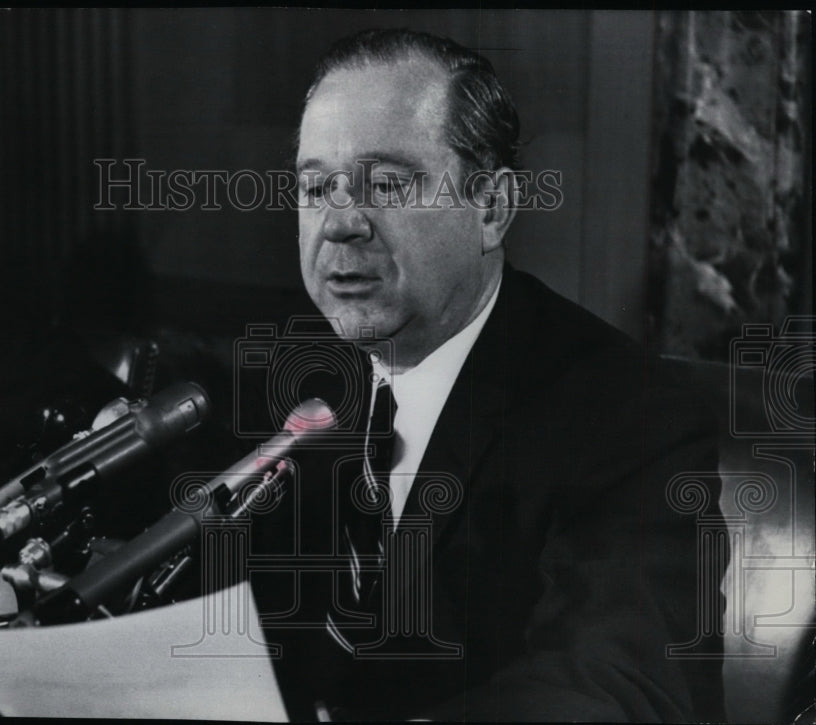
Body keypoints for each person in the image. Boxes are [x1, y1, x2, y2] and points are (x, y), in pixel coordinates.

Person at [247, 28, 728, 721]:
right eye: (317, 185)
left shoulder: (631, 417)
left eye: (387, 182)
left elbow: (616, 687)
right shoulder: (293, 381)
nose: (341, 222)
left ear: (492, 207)